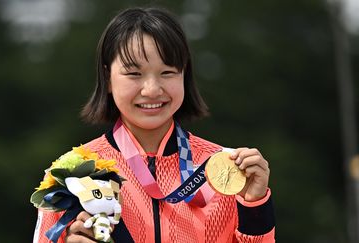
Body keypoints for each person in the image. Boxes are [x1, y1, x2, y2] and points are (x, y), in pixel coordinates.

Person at [33, 7, 275, 243]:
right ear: (108, 78)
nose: (152, 90)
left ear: (184, 74)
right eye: (134, 74)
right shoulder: (72, 174)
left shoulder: (227, 169)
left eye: (167, 72)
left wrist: (255, 206)